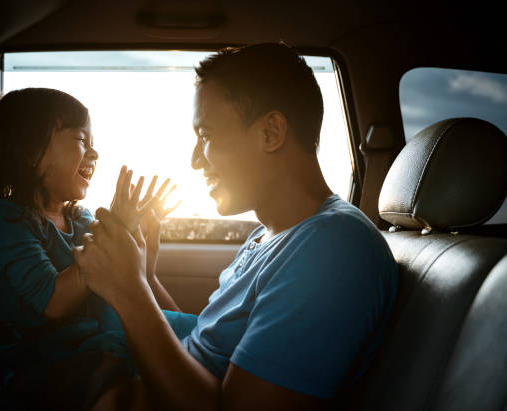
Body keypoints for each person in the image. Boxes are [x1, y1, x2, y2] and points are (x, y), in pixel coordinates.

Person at [75, 43, 399, 410]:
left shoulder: (333, 249)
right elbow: (207, 345)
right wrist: (145, 277)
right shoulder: (269, 235)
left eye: (207, 136)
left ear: (270, 132)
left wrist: (128, 292)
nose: (195, 160)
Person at [0, 87, 194, 411]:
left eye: (93, 145)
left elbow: (126, 289)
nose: (94, 154)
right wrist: (113, 232)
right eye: (81, 141)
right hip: (19, 354)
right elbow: (54, 302)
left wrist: (132, 240)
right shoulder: (5, 218)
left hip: (76, 343)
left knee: (195, 339)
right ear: (29, 152)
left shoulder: (81, 218)